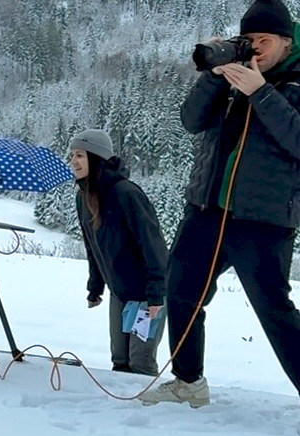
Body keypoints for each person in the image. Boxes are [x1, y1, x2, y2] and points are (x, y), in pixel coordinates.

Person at [139, 0, 300, 408]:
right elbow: (192, 121)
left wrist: (261, 93)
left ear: (287, 41)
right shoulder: (237, 73)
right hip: (207, 208)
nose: (256, 48)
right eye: (249, 40)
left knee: (275, 313)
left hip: (263, 218)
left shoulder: (295, 82)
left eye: (265, 40)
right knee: (182, 292)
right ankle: (187, 380)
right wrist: (213, 78)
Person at [69, 129, 168, 376]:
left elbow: (153, 245)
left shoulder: (127, 193)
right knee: (120, 362)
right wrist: (95, 286)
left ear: (96, 157)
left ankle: (150, 414)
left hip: (147, 295)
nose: (73, 161)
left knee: (141, 363)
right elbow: (93, 247)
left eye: (80, 155)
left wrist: (156, 294)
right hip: (120, 292)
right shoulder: (84, 197)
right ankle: (121, 415)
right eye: (71, 155)